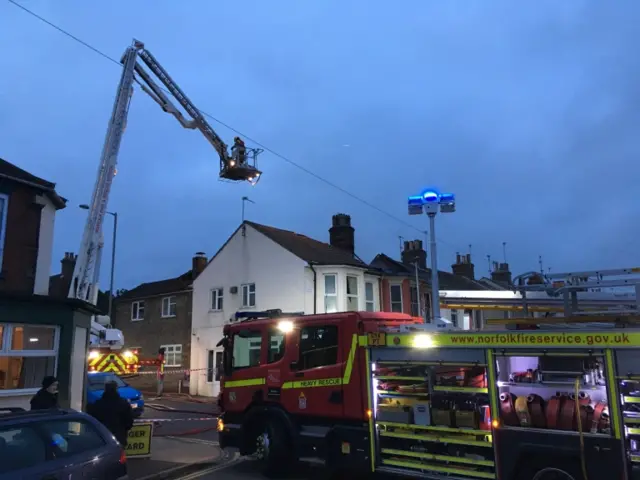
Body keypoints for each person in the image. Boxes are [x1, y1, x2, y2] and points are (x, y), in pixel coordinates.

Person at [87, 381, 134, 447]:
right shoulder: (123, 403)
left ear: (105, 389)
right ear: (116, 389)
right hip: (119, 437)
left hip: (103, 438)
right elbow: (129, 421)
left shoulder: (98, 404)